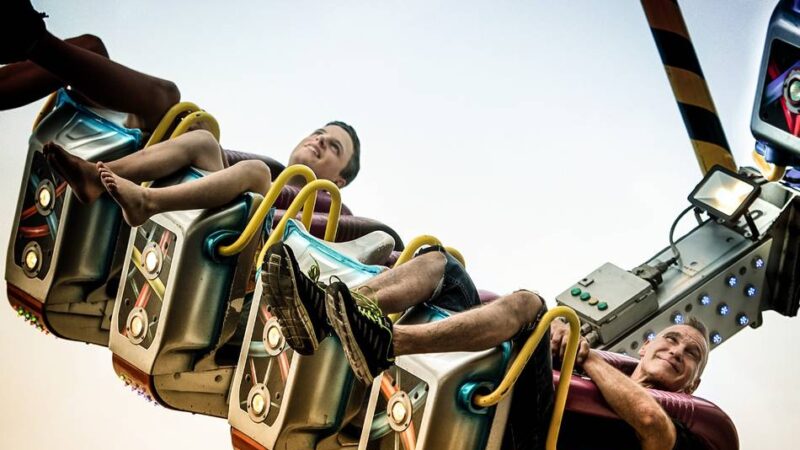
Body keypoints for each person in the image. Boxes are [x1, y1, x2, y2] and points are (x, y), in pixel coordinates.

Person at [262, 240, 710, 449]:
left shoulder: (687, 429)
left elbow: (650, 421)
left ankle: (388, 341)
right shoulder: (581, 369)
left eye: (691, 355)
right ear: (646, 346)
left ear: (692, 384)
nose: (677, 351)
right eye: (672, 339)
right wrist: (558, 347)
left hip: (529, 442)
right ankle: (331, 314)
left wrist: (584, 354)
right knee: (443, 265)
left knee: (532, 306)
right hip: (498, 403)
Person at [2, 1, 361, 225]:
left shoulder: (332, 209)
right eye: (320, 133)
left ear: (341, 180)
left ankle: (116, 186)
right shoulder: (273, 167)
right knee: (91, 49)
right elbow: (214, 153)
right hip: (192, 180)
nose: (320, 141)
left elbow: (303, 239)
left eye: (334, 148)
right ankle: (32, 40)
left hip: (241, 229)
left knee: (237, 160)